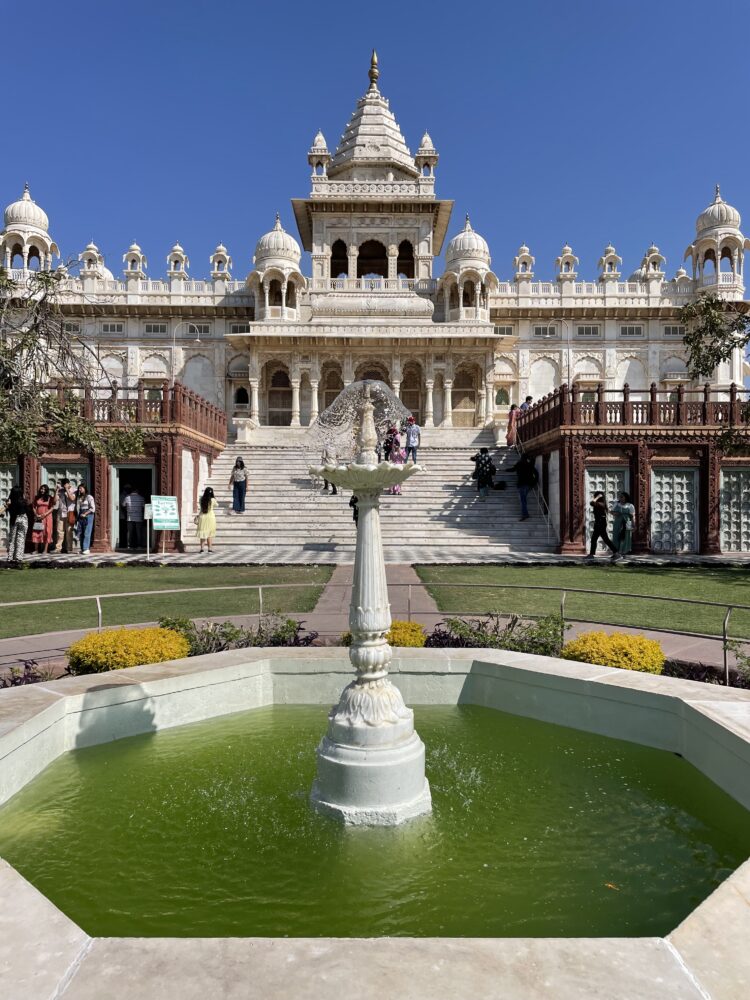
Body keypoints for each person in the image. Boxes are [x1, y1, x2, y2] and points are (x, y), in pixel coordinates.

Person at [1, 487, 31, 564]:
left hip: (14, 520)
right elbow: (27, 510)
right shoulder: (23, 501)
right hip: (23, 519)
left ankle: (10, 557)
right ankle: (18, 558)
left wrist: (7, 505)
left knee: (12, 539)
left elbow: (1, 513)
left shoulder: (10, 501)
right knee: (21, 539)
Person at [585, 491, 617, 561]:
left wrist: (597, 497)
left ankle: (616, 553)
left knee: (598, 539)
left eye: (595, 496)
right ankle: (616, 553)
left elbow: (592, 503)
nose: (594, 497)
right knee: (601, 539)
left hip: (600, 523)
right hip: (600, 522)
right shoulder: (601, 504)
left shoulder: (600, 504)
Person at [511, 453, 538, 521]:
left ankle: (525, 514)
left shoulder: (519, 464)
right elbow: (536, 474)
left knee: (522, 500)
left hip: (522, 484)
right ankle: (525, 513)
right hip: (529, 485)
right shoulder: (529, 465)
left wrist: (504, 470)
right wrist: (534, 482)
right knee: (523, 499)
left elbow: (513, 469)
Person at [31, 484, 57, 554]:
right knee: (37, 532)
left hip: (47, 517)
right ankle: (36, 549)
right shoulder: (37, 497)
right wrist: (36, 514)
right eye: (41, 489)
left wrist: (45, 514)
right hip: (38, 517)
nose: (42, 490)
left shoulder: (49, 498)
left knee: (47, 532)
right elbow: (33, 507)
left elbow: (52, 507)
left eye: (44, 489)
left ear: (46, 490)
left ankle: (45, 550)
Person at [610, 491, 636, 562]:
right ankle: (616, 552)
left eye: (622, 497)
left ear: (626, 497)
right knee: (616, 536)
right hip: (618, 522)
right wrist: (615, 513)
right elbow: (611, 511)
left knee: (626, 536)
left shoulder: (630, 505)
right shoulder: (616, 504)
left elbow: (632, 516)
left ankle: (624, 552)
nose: (620, 498)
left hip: (627, 522)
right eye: (620, 497)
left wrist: (634, 525)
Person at [75, 484, 96, 555]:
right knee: (81, 532)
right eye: (79, 488)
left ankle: (86, 548)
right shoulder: (79, 497)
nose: (80, 490)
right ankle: (82, 548)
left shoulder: (89, 497)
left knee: (87, 532)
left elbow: (93, 508)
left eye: (81, 488)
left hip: (88, 515)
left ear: (85, 488)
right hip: (81, 515)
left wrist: (85, 514)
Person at [196, 487, 217, 553]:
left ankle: (202, 549)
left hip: (202, 517)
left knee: (202, 534)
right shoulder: (213, 500)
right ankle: (209, 549)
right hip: (211, 517)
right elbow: (216, 505)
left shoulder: (201, 499)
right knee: (209, 534)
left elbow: (201, 507)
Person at [389, 429, 404, 494]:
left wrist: (399, 452)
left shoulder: (401, 451)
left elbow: (403, 457)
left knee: (399, 479)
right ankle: (393, 490)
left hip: (399, 465)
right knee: (393, 478)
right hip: (394, 465)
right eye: (395, 446)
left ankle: (398, 490)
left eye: (396, 446)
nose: (396, 447)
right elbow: (391, 458)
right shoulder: (392, 452)